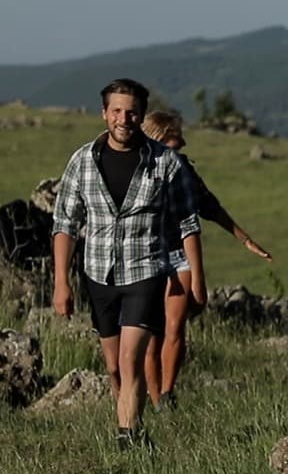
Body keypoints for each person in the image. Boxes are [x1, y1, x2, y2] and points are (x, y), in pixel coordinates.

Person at [51, 78, 204, 449]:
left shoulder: (165, 162)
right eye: (116, 111)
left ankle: (127, 437)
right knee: (113, 366)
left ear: (141, 115)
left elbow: (188, 222)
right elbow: (65, 223)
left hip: (145, 270)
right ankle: (132, 424)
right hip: (98, 272)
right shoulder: (82, 161)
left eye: (131, 111)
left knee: (130, 357)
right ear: (104, 114)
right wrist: (61, 282)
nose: (124, 119)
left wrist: (198, 279)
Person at [140, 111, 272, 410]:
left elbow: (208, 206)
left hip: (178, 255)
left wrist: (244, 238)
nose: (178, 153)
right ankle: (154, 395)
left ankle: (167, 393)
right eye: (173, 146)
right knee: (150, 334)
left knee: (175, 325)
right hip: (146, 257)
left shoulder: (183, 169)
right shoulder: (137, 171)